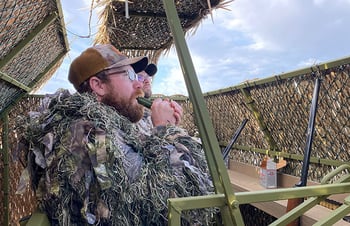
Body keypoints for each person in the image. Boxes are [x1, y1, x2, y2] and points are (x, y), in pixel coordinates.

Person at [16, 44, 214, 225]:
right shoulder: (91, 134)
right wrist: (165, 130)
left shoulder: (100, 125)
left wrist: (163, 129)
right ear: (98, 85)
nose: (138, 85)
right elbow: (151, 202)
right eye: (129, 75)